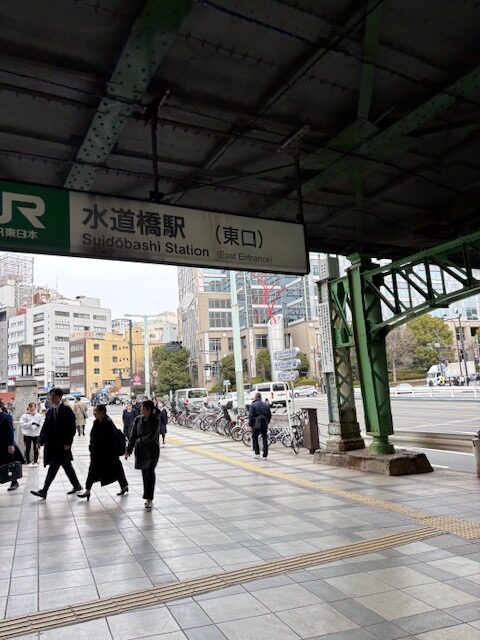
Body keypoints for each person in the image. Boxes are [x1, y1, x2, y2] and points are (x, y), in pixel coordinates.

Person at [31, 387, 82, 500]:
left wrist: (68, 443)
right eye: (51, 396)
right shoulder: (50, 411)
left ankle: (44, 491)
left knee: (54, 467)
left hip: (63, 445)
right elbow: (46, 427)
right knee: (67, 466)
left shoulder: (66, 410)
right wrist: (40, 440)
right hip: (54, 445)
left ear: (59, 396)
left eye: (53, 395)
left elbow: (72, 428)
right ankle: (77, 485)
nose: (51, 398)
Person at [77, 404, 128, 500]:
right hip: (98, 454)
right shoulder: (96, 422)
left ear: (102, 412)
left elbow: (112, 440)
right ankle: (87, 490)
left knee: (117, 470)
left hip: (108, 454)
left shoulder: (108, 423)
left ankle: (124, 486)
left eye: (96, 411)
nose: (94, 413)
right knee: (92, 471)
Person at [126, 400, 160, 509]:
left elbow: (152, 436)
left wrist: (139, 441)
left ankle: (149, 498)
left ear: (149, 409)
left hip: (152, 451)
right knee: (144, 474)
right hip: (141, 452)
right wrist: (129, 449)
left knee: (150, 473)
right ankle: (147, 496)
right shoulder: (138, 419)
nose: (141, 410)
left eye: (143, 408)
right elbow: (133, 435)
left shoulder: (155, 420)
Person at [0, 400, 24, 491]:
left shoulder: (6, 416)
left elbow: (10, 431)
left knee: (10, 463)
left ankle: (14, 481)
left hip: (6, 445)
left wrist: (11, 444)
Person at [248, 392, 272, 459]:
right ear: (261, 397)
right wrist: (267, 421)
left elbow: (251, 416)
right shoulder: (265, 404)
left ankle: (257, 453)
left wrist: (250, 424)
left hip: (256, 424)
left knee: (255, 437)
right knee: (265, 438)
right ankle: (265, 455)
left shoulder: (253, 405)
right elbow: (269, 415)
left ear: (255, 397)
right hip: (264, 423)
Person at [20, 402, 43, 467]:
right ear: (29, 408)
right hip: (27, 435)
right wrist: (30, 423)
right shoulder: (24, 416)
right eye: (31, 407)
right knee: (28, 448)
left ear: (35, 407)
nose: (32, 408)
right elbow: (22, 425)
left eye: (34, 407)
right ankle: (28, 462)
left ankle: (35, 461)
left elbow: (42, 423)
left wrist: (37, 424)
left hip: (36, 434)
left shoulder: (38, 415)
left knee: (36, 448)